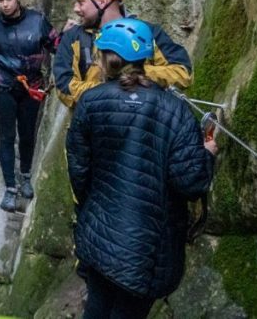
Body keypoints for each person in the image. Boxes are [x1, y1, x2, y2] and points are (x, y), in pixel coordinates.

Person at [67, 18, 216, 318]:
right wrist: (207, 154)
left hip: (99, 231)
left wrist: (91, 210)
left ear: (105, 58)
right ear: (145, 58)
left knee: (96, 307)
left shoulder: (89, 103)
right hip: (148, 246)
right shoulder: (175, 111)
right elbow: (190, 182)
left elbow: (79, 172)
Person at [54, 0, 193, 110]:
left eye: (81, 2)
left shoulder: (147, 32)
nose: (76, 9)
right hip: (96, 120)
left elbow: (182, 73)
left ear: (102, 1)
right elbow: (64, 88)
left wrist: (134, 74)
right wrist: (115, 88)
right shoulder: (73, 38)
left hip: (143, 117)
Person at [0, 0, 58, 212]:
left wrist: (73, 35)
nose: (4, 4)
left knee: (27, 135)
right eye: (0, 0)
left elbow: (57, 45)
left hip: (31, 87)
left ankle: (25, 176)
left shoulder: (37, 21)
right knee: (6, 137)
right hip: (4, 88)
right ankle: (10, 188)